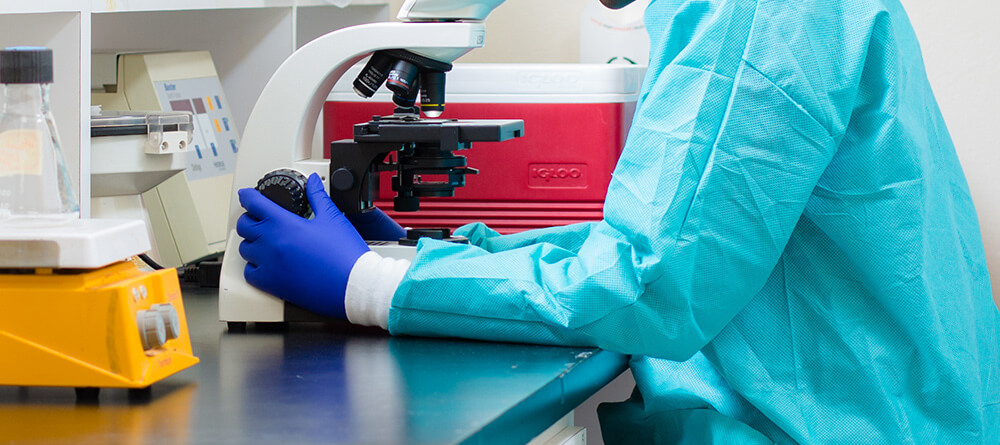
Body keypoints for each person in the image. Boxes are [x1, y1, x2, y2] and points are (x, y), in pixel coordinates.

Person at [234, 0, 1000, 442]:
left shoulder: (755, 13)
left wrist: (370, 286)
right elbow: (677, 237)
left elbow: (651, 280)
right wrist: (436, 255)